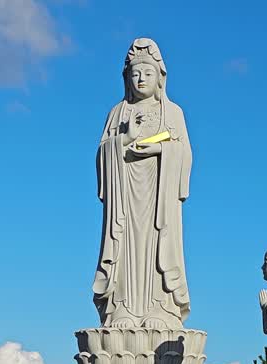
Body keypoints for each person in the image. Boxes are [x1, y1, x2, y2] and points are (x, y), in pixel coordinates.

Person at [93, 37, 193, 330]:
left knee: (158, 247)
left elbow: (184, 153)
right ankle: (121, 309)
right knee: (124, 247)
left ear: (160, 77)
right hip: (123, 200)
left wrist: (162, 149)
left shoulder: (172, 113)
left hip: (159, 200)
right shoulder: (118, 112)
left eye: (147, 73)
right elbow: (102, 154)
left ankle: (161, 310)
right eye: (135, 73)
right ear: (126, 78)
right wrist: (123, 140)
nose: (140, 79)